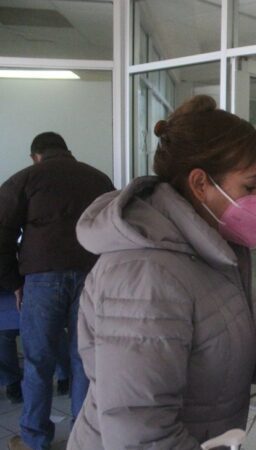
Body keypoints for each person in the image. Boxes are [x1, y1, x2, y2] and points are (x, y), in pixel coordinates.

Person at [66, 95, 256, 450]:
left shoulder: (208, 249)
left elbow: (198, 342)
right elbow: (139, 433)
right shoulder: (145, 278)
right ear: (200, 184)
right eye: (250, 186)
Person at [0, 132, 114, 450]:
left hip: (41, 280)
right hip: (91, 278)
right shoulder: (98, 178)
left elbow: (1, 232)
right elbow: (114, 227)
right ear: (67, 151)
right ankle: (83, 437)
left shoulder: (24, 179)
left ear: (36, 156)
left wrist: (14, 282)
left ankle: (35, 438)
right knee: (84, 360)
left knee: (38, 361)